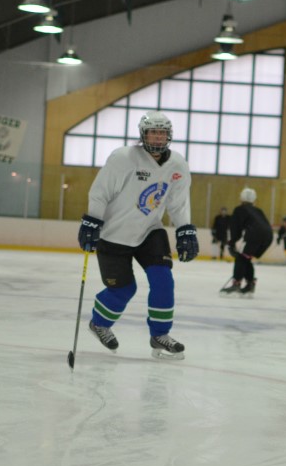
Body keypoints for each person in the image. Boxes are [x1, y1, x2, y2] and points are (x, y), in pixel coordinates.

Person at [78, 112, 198, 359]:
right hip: (113, 235)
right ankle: (99, 323)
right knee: (123, 290)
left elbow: (178, 203)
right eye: (153, 132)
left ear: (169, 136)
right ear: (143, 134)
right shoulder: (123, 158)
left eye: (162, 132)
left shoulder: (177, 164)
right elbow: (100, 192)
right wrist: (92, 221)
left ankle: (159, 334)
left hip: (149, 231)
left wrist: (185, 228)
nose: (157, 137)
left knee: (163, 280)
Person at [220, 188, 273, 297]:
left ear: (241, 198)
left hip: (254, 235)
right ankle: (250, 285)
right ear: (254, 199)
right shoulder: (258, 210)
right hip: (268, 236)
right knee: (246, 257)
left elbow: (235, 228)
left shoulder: (239, 209)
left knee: (240, 258)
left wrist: (231, 243)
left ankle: (236, 284)